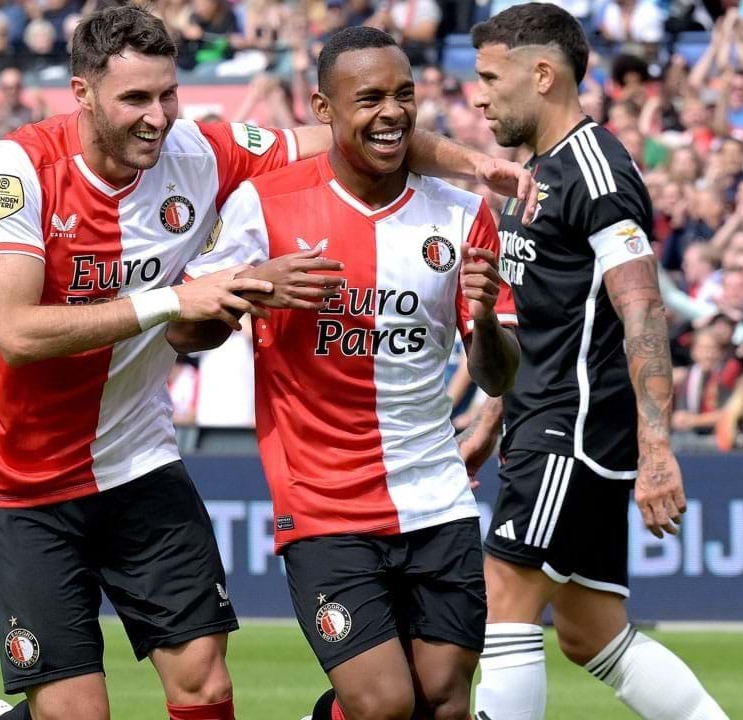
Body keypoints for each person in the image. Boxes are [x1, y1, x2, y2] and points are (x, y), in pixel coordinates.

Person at [0, 7, 536, 720]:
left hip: (137, 457)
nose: (158, 117)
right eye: (135, 100)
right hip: (24, 473)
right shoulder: (18, 171)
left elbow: (355, 135)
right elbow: (15, 332)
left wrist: (474, 162)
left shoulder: (200, 152)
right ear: (82, 94)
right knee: (78, 712)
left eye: (167, 95)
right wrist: (178, 297)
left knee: (205, 682)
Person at [168, 27, 521, 720]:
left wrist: (482, 310)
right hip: (325, 503)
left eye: (404, 95)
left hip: (436, 492)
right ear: (323, 109)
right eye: (369, 99)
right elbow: (186, 330)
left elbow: (498, 372)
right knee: (385, 706)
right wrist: (251, 289)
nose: (391, 112)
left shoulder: (461, 212)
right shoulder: (265, 204)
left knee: (445, 702)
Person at [463, 5, 729, 719]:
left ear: (542, 74)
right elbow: (552, 321)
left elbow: (641, 309)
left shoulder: (595, 171)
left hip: (571, 432)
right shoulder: (534, 175)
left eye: (490, 77)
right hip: (543, 422)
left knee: (505, 598)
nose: (478, 94)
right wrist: (493, 414)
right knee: (590, 634)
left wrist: (658, 447)